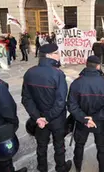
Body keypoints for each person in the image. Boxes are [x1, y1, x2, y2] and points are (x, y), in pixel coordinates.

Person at [21, 44, 72, 172]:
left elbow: (26, 99)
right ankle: (61, 168)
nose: (59, 55)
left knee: (41, 145)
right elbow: (60, 102)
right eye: (57, 53)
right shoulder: (58, 74)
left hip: (39, 120)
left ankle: (42, 167)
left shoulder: (30, 72)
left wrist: (38, 118)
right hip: (56, 119)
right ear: (49, 55)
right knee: (59, 145)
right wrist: (47, 118)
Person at [67, 55, 104, 172]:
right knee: (101, 147)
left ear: (86, 65)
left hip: (81, 122)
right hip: (100, 122)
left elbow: (71, 105)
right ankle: (102, 167)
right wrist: (95, 118)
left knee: (79, 146)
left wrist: (85, 119)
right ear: (98, 66)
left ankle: (78, 166)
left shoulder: (76, 83)